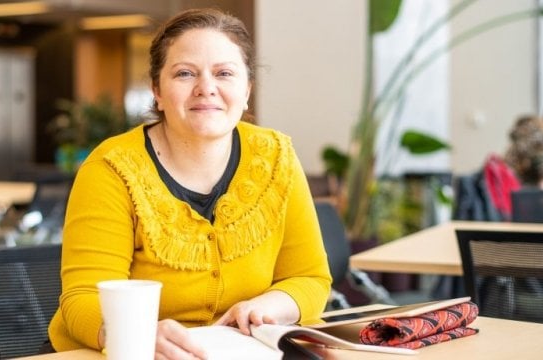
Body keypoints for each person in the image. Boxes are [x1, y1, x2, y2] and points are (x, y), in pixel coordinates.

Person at [47, 8, 332, 358]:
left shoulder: (277, 157)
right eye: (185, 74)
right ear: (157, 91)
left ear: (246, 91)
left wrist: (265, 307)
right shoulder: (111, 169)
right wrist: (135, 334)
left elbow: (311, 279)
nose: (206, 89)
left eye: (224, 73)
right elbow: (82, 299)